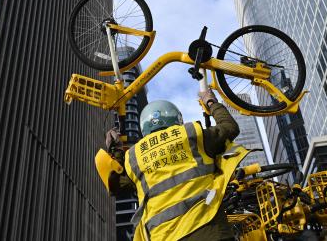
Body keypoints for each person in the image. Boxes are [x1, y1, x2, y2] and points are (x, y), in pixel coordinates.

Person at [105, 89, 248, 241]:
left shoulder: (133, 157)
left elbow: (115, 186)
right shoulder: (191, 134)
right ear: (177, 119)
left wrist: (116, 150)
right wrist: (211, 102)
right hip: (209, 230)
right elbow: (230, 127)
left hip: (164, 236)